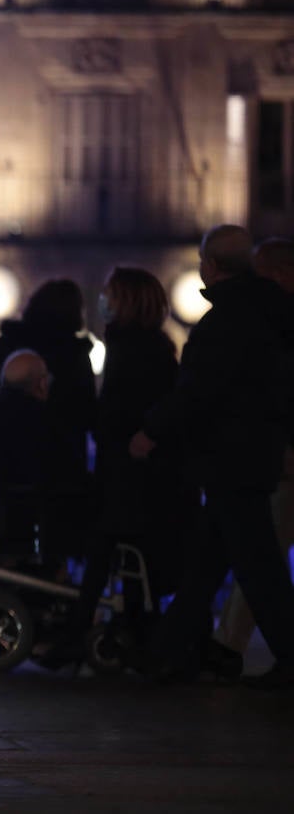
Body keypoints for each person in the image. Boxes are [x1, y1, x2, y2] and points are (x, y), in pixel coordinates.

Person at [132, 225, 294, 688]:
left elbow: (199, 390)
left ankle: (288, 656)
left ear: (211, 265)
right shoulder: (270, 314)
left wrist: (151, 431)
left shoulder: (228, 320)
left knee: (258, 568)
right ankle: (166, 652)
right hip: (252, 453)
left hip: (230, 458)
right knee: (210, 562)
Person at [46, 267, 196, 665]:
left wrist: (91, 417)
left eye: (110, 295)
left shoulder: (133, 348)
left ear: (125, 301)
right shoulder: (149, 345)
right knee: (118, 550)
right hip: (131, 471)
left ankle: (84, 631)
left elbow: (121, 410)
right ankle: (126, 628)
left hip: (130, 473)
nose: (103, 301)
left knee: (106, 545)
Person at [216, 238, 294, 658]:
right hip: (276, 453)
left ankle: (230, 646)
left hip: (281, 457)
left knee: (261, 558)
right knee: (262, 555)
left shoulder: (270, 321)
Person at [0, 278, 96, 482]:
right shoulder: (75, 355)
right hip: (61, 470)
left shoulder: (9, 345)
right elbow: (86, 413)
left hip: (4, 464)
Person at [0, 349, 78, 565]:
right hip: (35, 519)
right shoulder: (42, 421)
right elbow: (68, 472)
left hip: (2, 524)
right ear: (42, 384)